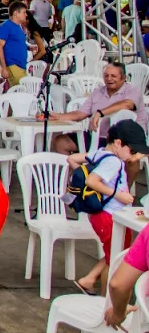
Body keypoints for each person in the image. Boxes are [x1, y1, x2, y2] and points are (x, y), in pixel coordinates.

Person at [70, 122, 149, 296]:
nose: (133, 156)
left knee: (116, 253)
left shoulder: (100, 153)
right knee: (115, 261)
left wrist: (82, 176)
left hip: (102, 215)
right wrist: (116, 194)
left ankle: (89, 279)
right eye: (132, 151)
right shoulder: (113, 162)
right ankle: (107, 300)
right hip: (109, 215)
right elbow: (92, 181)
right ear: (119, 143)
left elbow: (72, 158)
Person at [0, 1, 31, 86]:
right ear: (15, 13)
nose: (26, 15)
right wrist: (3, 68)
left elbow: (18, 43)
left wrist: (29, 47)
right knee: (20, 94)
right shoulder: (6, 26)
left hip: (21, 66)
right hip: (13, 66)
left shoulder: (18, 26)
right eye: (24, 12)